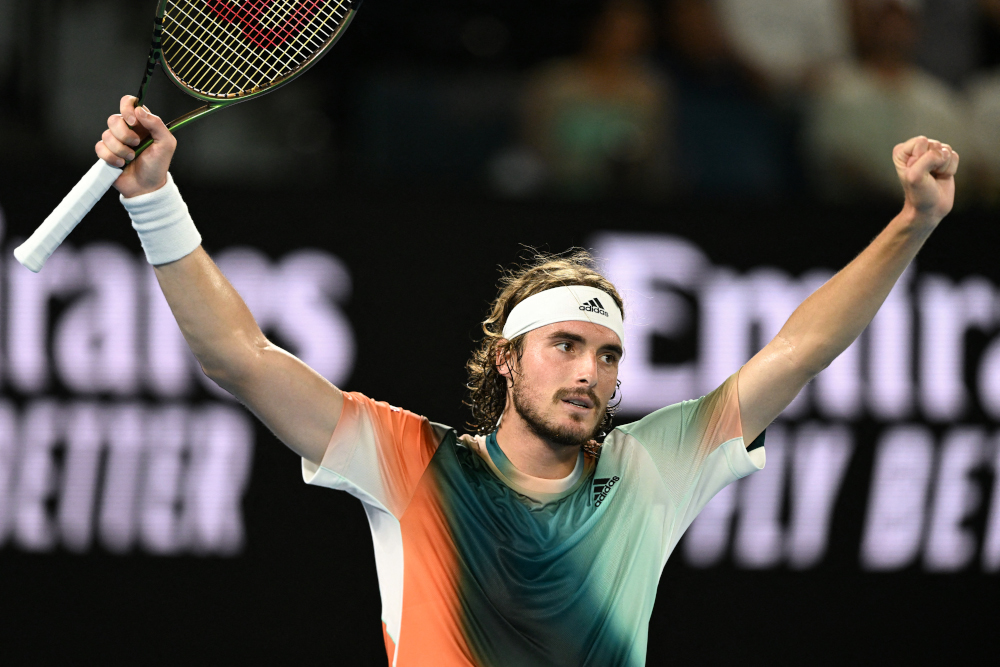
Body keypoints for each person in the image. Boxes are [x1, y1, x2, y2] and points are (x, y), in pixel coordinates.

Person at [95, 93, 959, 665]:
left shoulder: (652, 469)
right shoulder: (414, 463)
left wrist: (913, 223)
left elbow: (798, 350)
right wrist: (152, 197)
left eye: (609, 354)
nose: (590, 372)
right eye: (565, 346)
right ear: (505, 358)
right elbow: (239, 356)